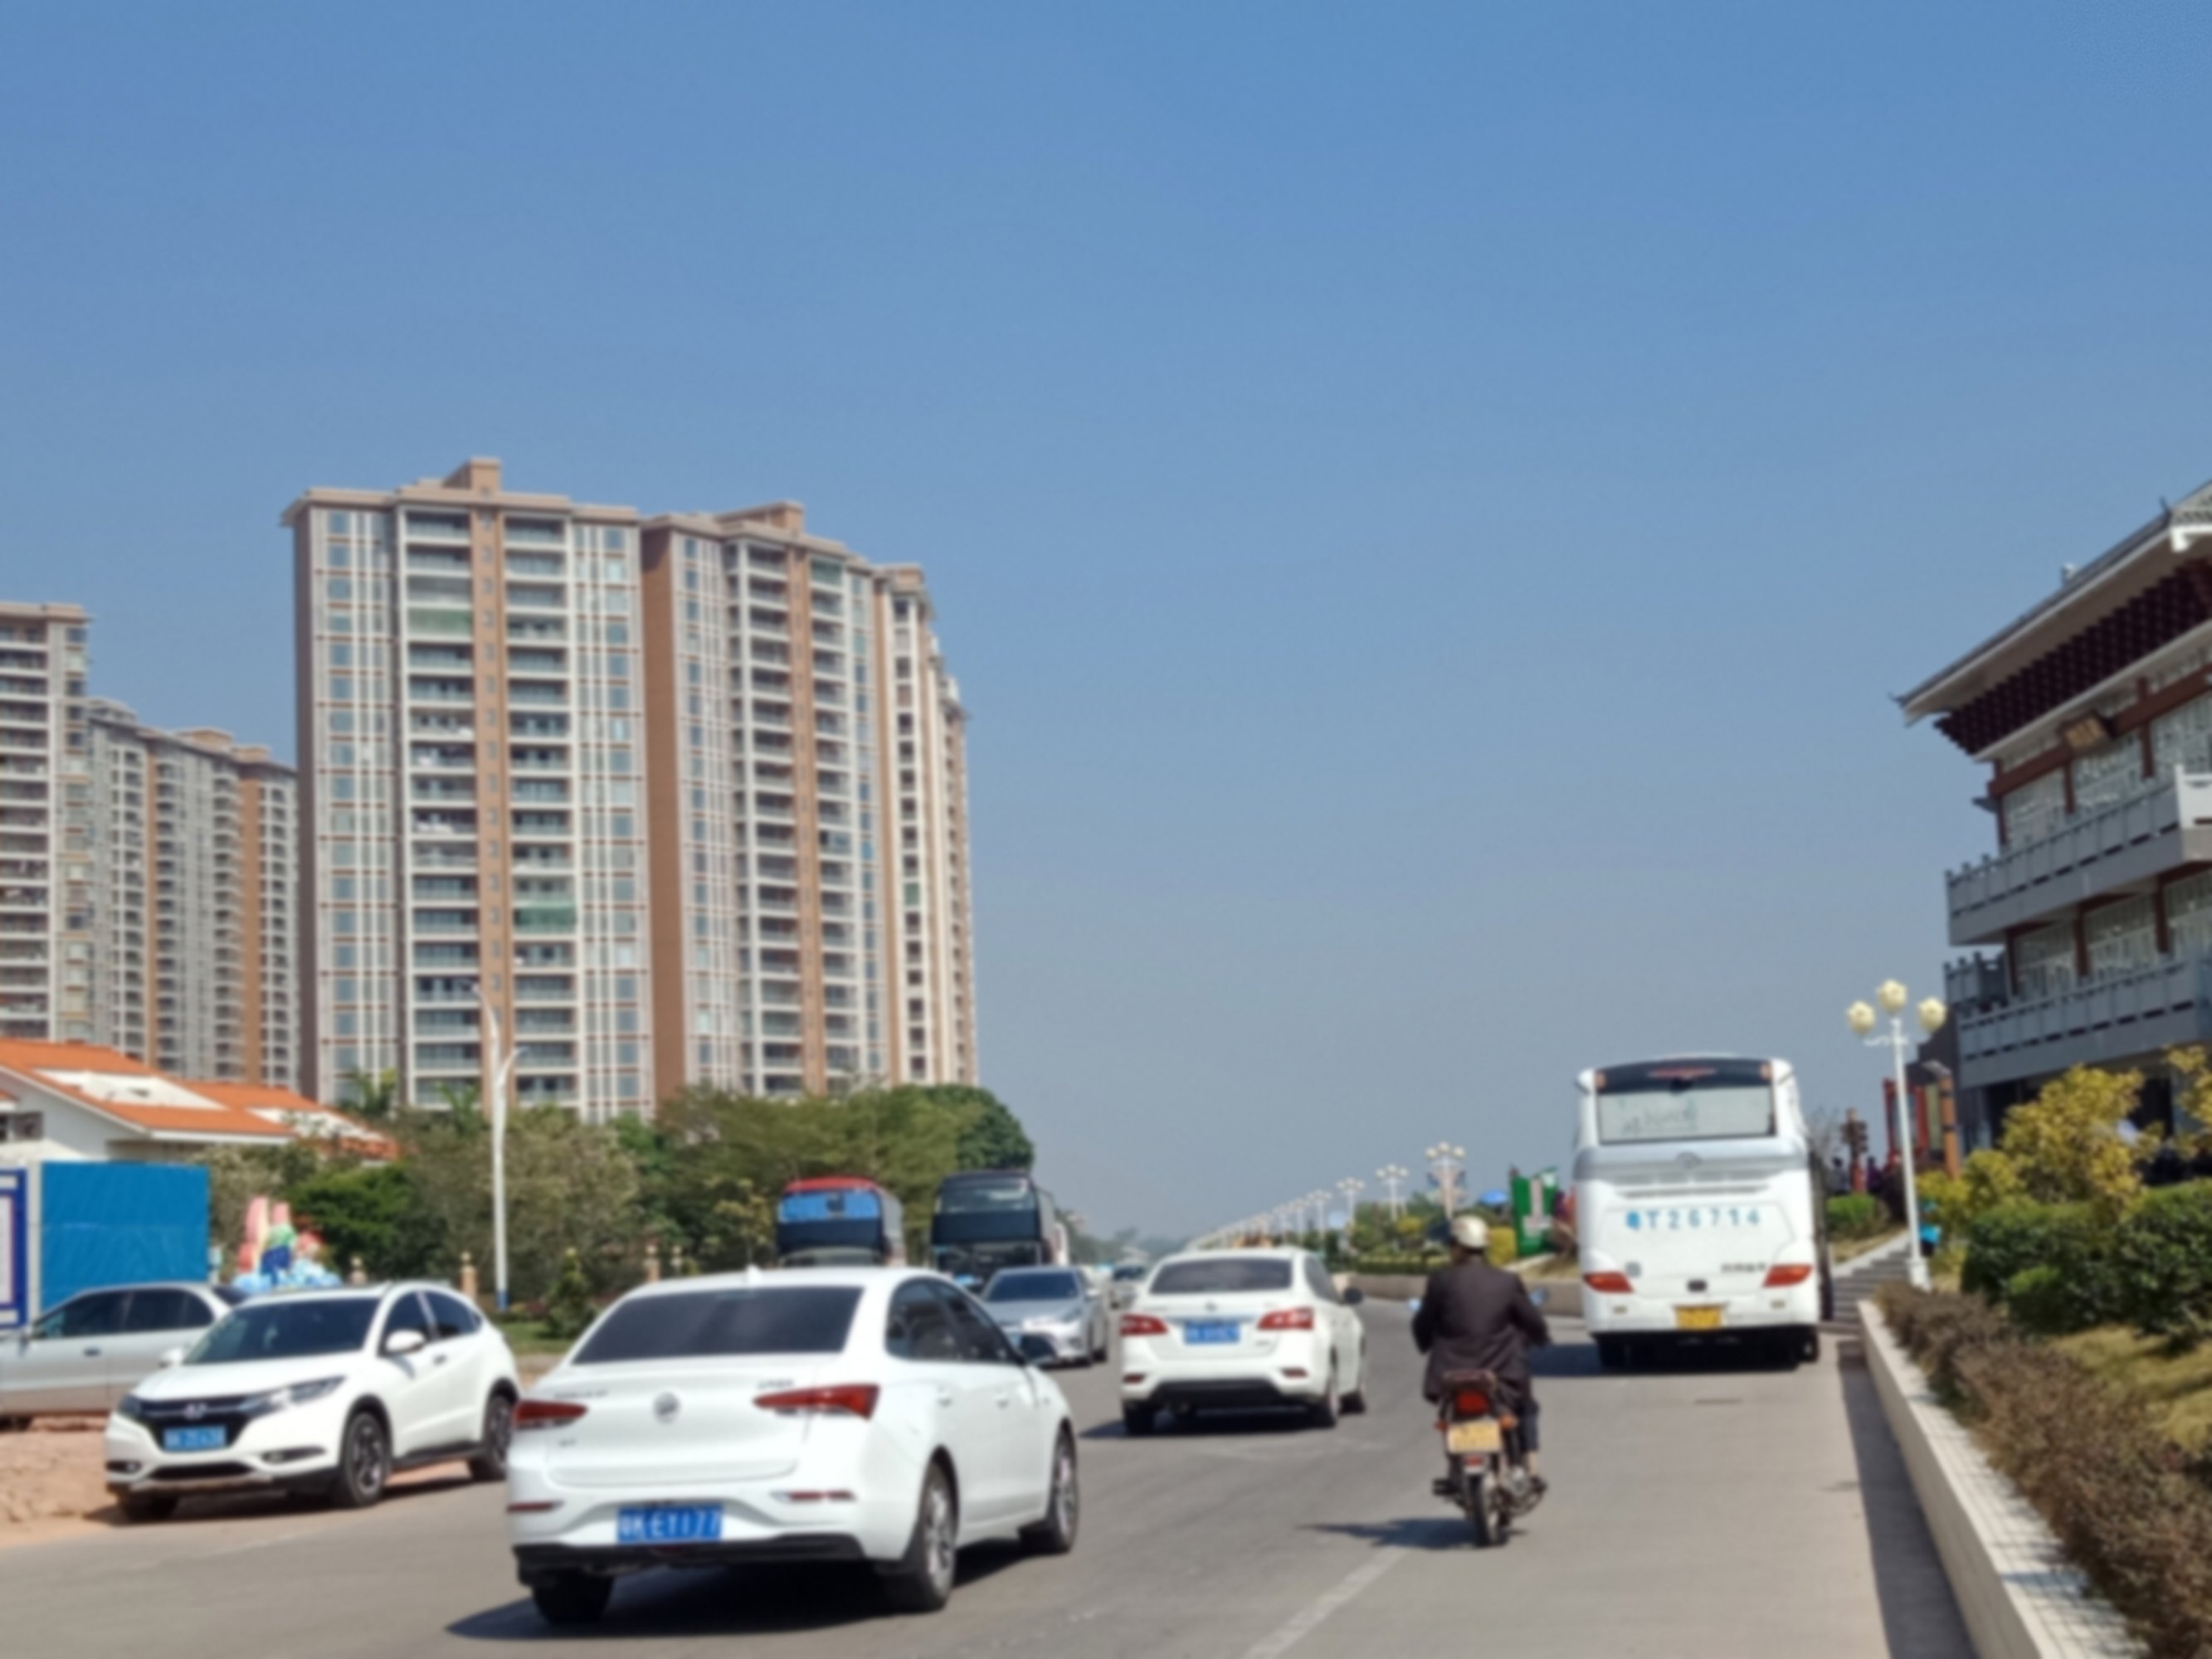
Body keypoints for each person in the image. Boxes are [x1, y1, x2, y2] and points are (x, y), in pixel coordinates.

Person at [1412, 1215, 1552, 1489]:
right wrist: (1541, 1337)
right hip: (1502, 1369)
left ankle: (1454, 1466)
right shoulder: (1506, 1281)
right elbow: (1531, 1320)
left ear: (1456, 1246)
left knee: (1448, 1414)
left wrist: (1424, 1343)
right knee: (1526, 1407)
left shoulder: (1440, 1281)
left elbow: (1423, 1322)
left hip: (1450, 1370)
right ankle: (1528, 1463)